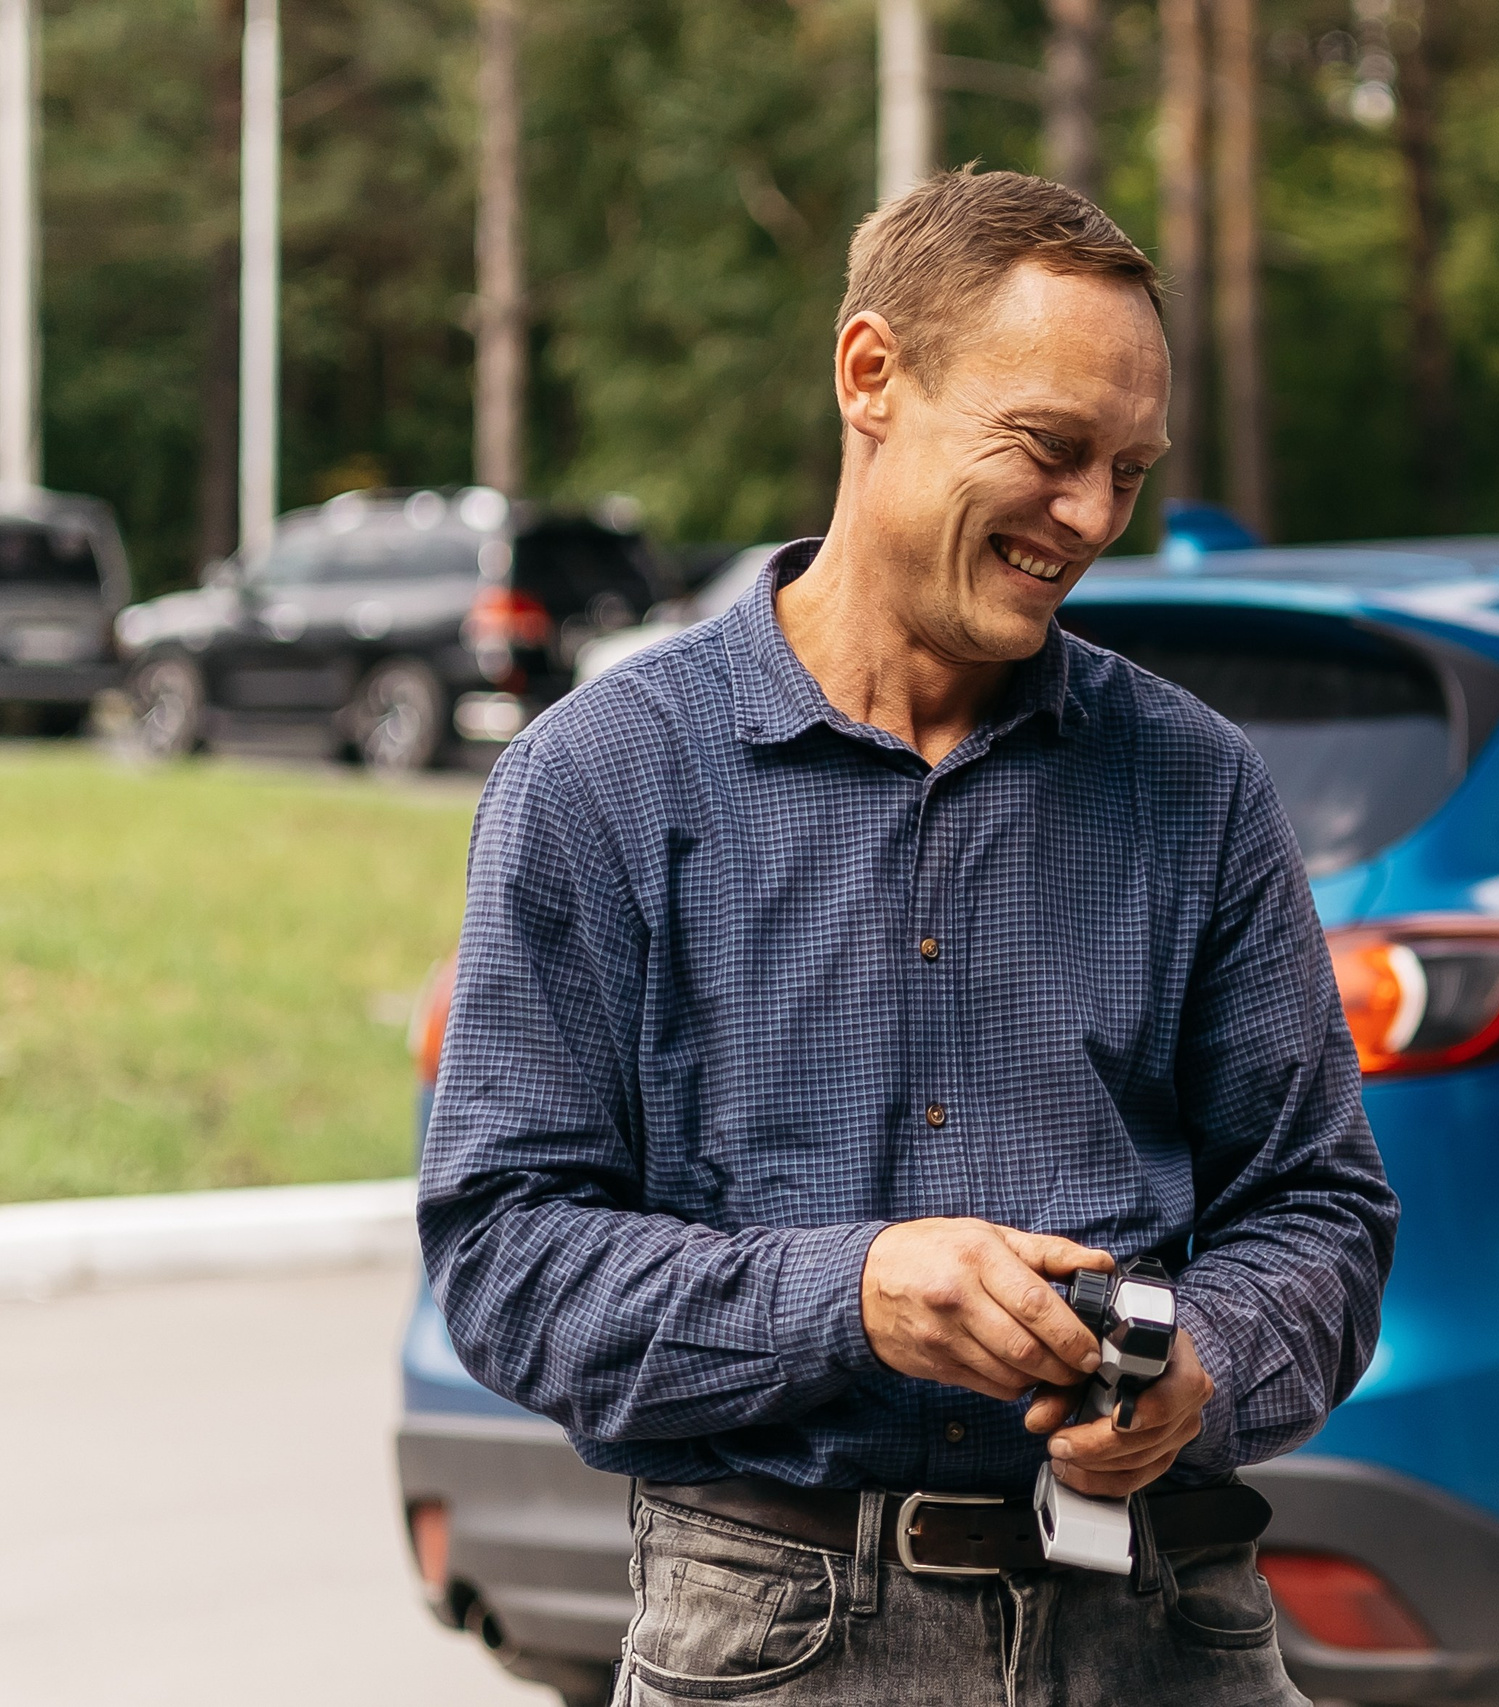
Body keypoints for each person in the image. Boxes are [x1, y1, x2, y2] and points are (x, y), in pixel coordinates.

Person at [418, 166, 1399, 1707]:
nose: (1088, 518)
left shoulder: (1196, 784)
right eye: (1051, 449)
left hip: (1171, 1630)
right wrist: (853, 1295)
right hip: (778, 1644)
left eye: (1127, 470)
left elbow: (1321, 1218)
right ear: (872, 375)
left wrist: (1200, 1370)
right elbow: (507, 1259)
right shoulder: (600, 780)